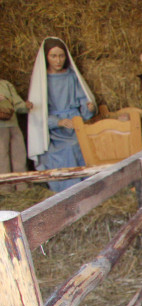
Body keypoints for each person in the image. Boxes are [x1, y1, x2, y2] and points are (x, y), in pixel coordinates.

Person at [27, 37, 97, 192]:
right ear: (46, 58)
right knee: (59, 151)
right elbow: (38, 113)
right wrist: (57, 122)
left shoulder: (72, 76)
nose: (58, 60)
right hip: (53, 131)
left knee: (80, 145)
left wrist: (89, 108)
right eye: (53, 56)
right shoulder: (42, 81)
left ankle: (87, 189)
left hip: (74, 125)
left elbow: (84, 104)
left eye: (61, 56)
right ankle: (66, 192)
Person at [0, 78, 33, 193]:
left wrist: (25, 106)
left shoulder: (6, 85)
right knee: (2, 158)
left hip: (13, 125)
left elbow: (17, 102)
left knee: (19, 154)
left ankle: (22, 188)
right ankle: (5, 190)